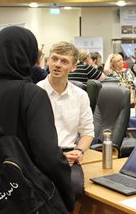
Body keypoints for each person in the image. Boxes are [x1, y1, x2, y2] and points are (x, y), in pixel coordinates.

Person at [0, 26, 75, 213]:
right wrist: (66, 195)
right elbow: (48, 155)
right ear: (28, 56)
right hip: (28, 199)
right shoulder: (32, 94)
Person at [37, 41, 94, 202]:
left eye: (64, 61)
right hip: (41, 156)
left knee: (74, 187)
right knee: (40, 187)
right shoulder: (35, 92)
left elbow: (87, 132)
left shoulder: (80, 96)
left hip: (69, 155)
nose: (57, 65)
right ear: (47, 61)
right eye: (54, 59)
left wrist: (80, 152)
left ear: (74, 67)